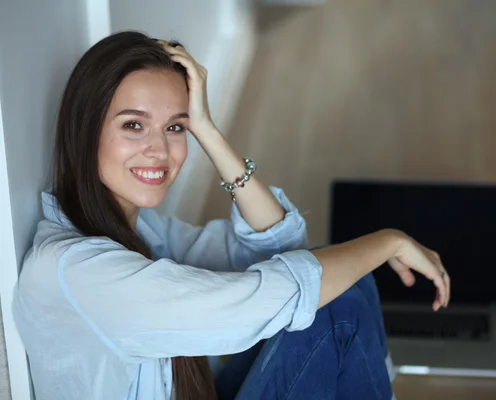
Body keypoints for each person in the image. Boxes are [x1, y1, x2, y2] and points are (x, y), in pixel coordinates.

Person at [12, 31, 450, 400]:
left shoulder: (139, 229)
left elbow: (281, 245)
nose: (159, 150)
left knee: (340, 280)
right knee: (340, 305)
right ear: (85, 130)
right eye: (133, 125)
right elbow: (269, 297)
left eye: (175, 127)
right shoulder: (78, 272)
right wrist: (386, 241)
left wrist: (207, 129)